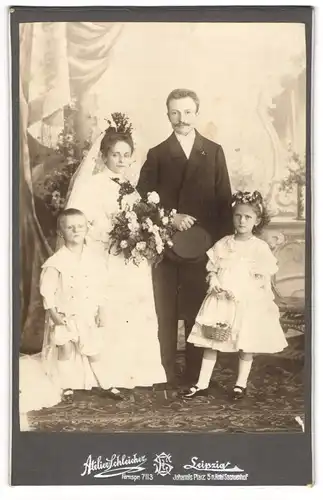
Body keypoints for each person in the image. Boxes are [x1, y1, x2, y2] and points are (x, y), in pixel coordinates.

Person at [137, 88, 233, 387]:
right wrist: (170, 217)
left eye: (188, 112)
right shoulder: (157, 154)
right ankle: (165, 371)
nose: (182, 119)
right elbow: (141, 201)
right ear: (167, 115)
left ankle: (194, 374)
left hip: (203, 248)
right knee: (165, 312)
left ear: (197, 113)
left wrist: (220, 251)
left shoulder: (213, 151)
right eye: (175, 112)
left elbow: (223, 202)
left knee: (196, 311)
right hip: (166, 247)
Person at [65, 124, 167, 389]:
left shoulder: (131, 188)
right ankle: (108, 372)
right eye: (115, 154)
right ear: (104, 155)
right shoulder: (93, 185)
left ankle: (136, 371)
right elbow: (80, 222)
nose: (121, 160)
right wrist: (112, 233)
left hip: (130, 257)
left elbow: (139, 216)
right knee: (109, 309)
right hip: (106, 254)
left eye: (126, 154)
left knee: (134, 308)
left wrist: (143, 234)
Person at [183, 191, 288, 400]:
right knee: (211, 340)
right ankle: (202, 382)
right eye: (238, 216)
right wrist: (213, 281)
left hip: (245, 301)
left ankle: (240, 384)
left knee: (245, 341)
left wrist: (249, 292)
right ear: (233, 217)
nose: (242, 221)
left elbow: (263, 276)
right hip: (221, 298)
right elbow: (212, 268)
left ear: (257, 221)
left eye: (248, 217)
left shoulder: (259, 247)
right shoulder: (223, 243)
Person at [19, 208, 120, 415]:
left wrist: (101, 310)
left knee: (93, 350)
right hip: (64, 315)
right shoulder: (56, 263)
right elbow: (47, 292)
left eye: (80, 226)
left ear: (86, 230)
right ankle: (66, 386)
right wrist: (56, 317)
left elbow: (101, 287)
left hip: (87, 314)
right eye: (70, 227)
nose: (76, 230)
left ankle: (106, 384)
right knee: (65, 349)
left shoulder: (94, 260)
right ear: (60, 232)